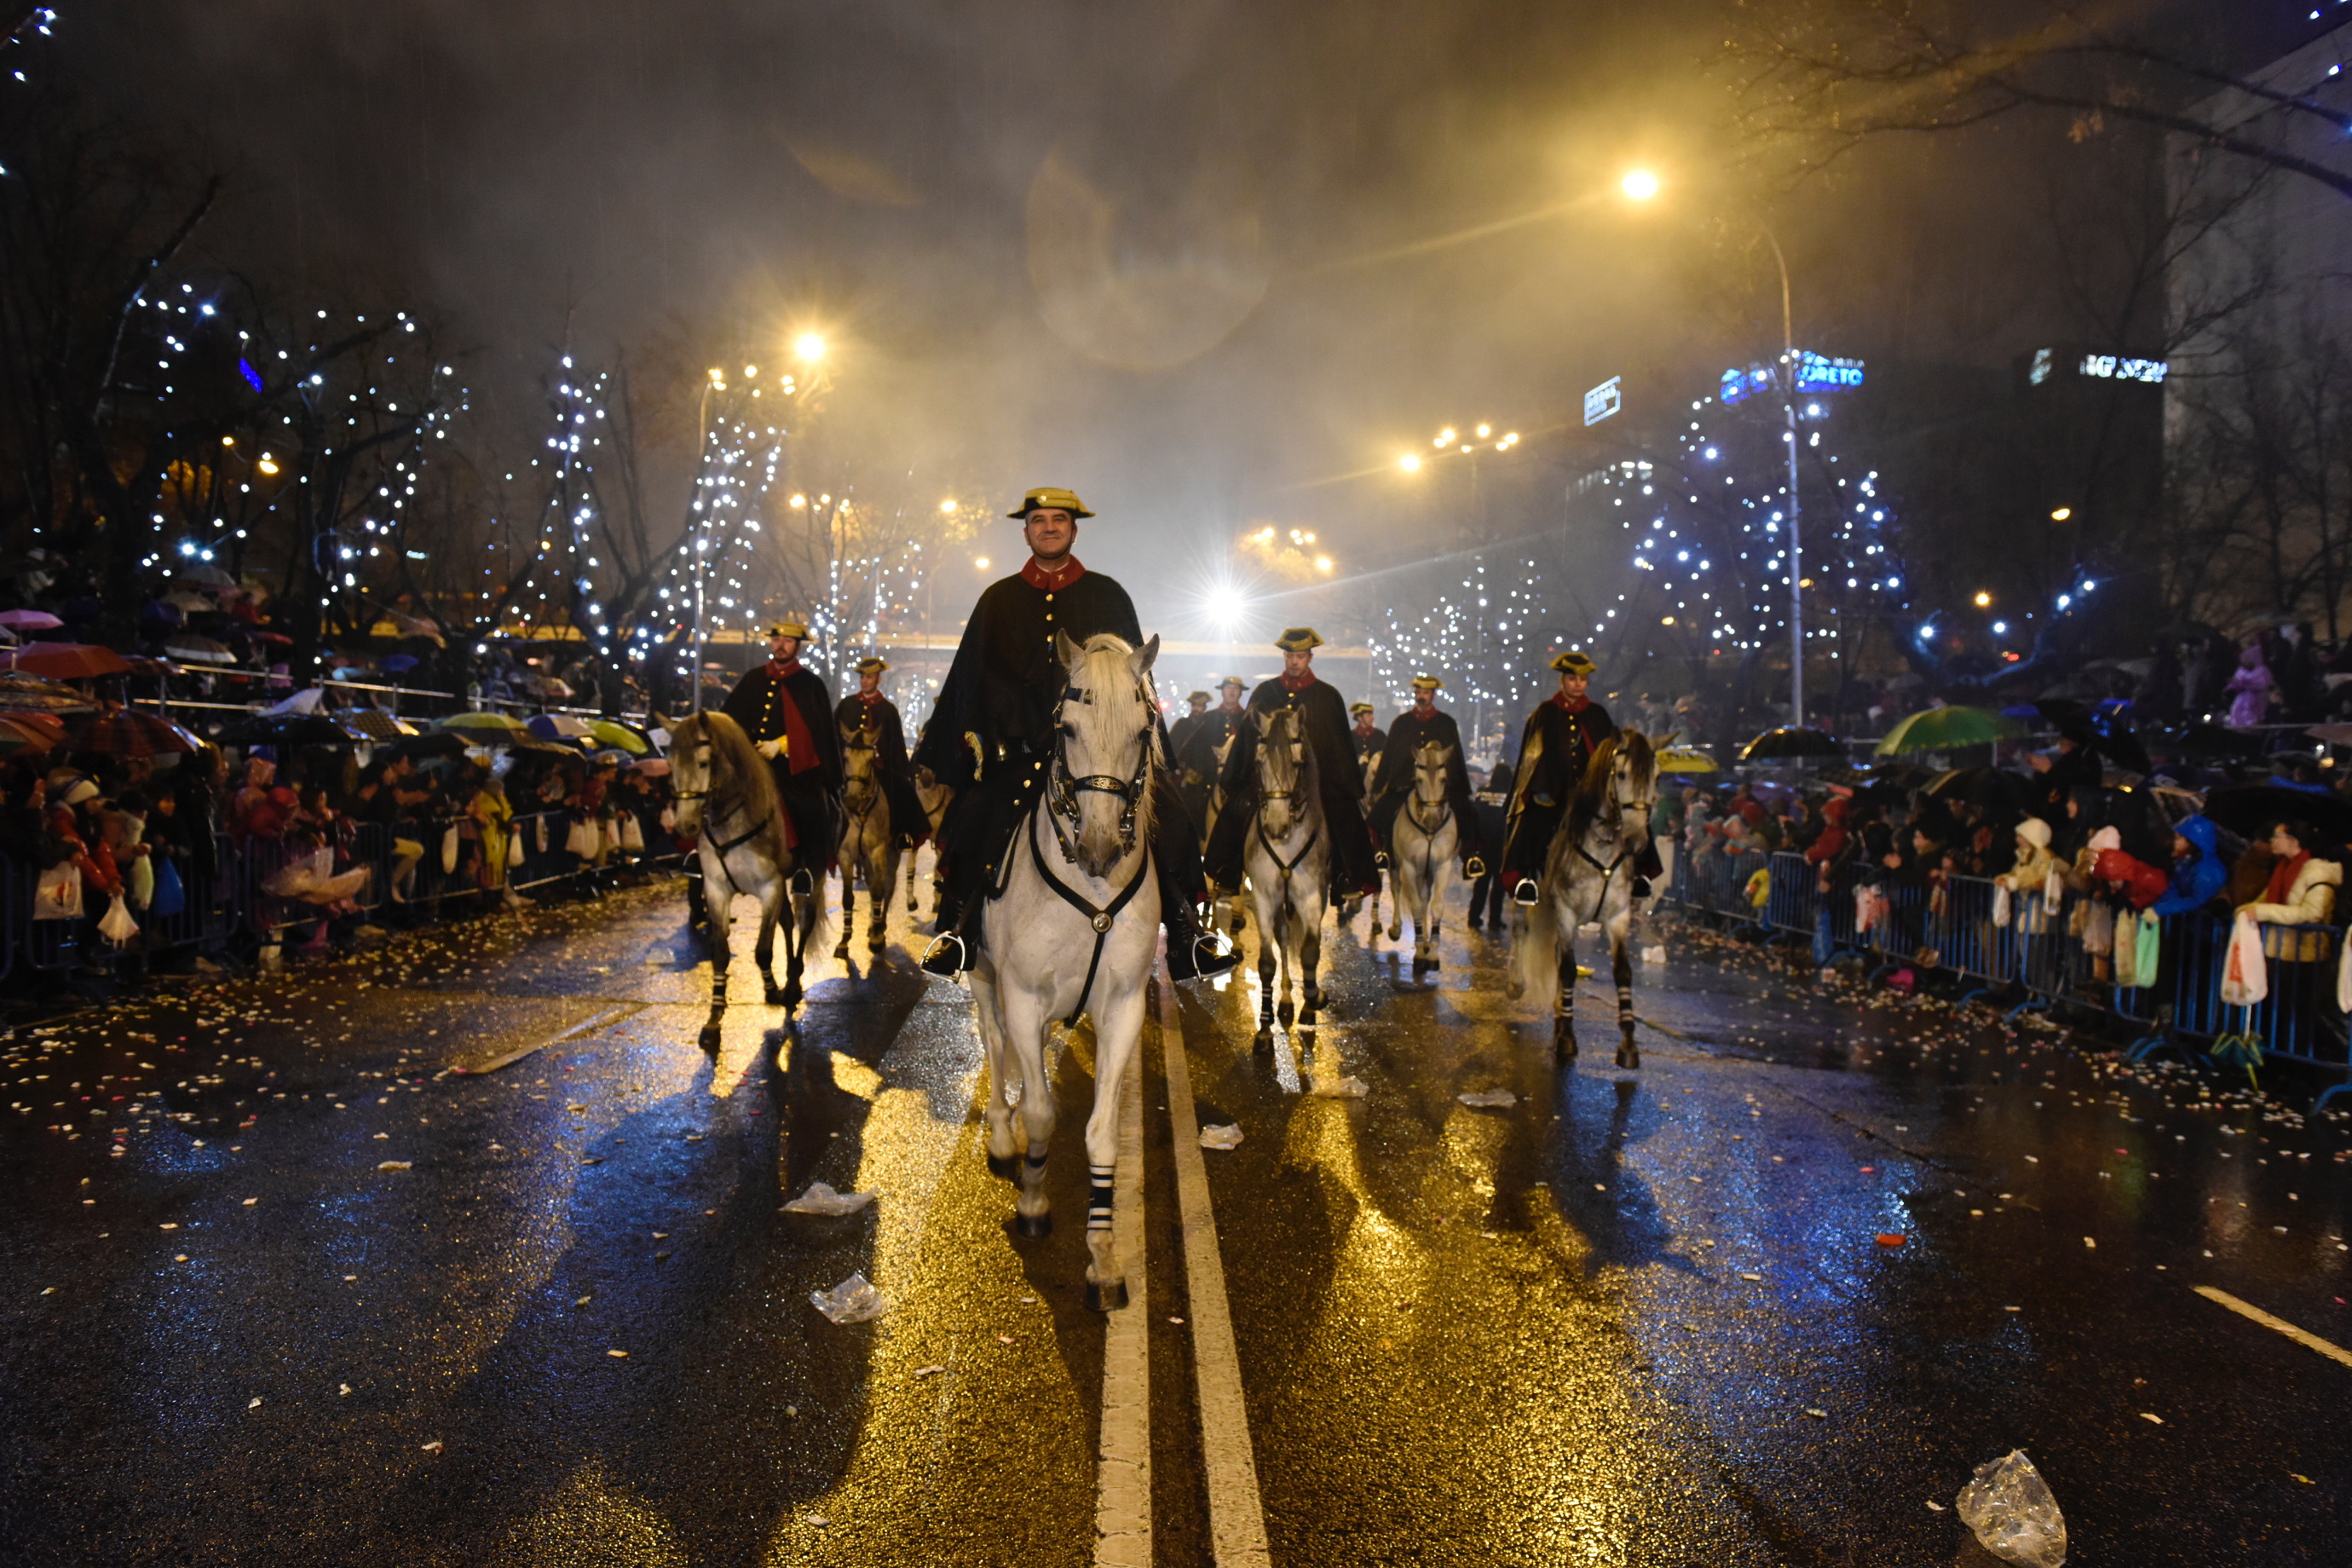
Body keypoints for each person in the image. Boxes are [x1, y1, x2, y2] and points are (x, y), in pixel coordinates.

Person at [912, 486, 1237, 980]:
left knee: (1171, 816)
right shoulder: (997, 600)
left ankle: (1189, 931)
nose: (1049, 528)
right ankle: (956, 932)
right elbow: (970, 681)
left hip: (1099, 755)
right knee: (975, 817)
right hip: (1019, 754)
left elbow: (1137, 679)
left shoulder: (1108, 594)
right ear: (1026, 533)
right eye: (1039, 521)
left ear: (1074, 530)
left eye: (1058, 520)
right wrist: (983, 742)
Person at [1204, 626, 1381, 904]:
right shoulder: (1265, 692)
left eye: (1300, 656)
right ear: (1285, 657)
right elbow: (1248, 739)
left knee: (1344, 813)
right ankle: (1229, 871)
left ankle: (1345, 876)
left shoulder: (1327, 696)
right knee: (1237, 808)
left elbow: (1338, 746)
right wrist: (1240, 777)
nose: (1294, 661)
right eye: (1290, 656)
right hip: (1267, 781)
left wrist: (1341, 783)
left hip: (1318, 783)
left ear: (1310, 658)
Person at [1500, 649, 1657, 902]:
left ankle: (1640, 873)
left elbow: (1609, 752)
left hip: (1590, 792)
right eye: (1572, 679)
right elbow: (1532, 756)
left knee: (1634, 814)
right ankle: (1526, 879)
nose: (1577, 684)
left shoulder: (1597, 714)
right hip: (1554, 790)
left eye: (1582, 679)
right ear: (1562, 681)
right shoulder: (1545, 712)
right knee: (1532, 821)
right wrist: (1542, 785)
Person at [721, 617, 844, 892]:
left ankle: (805, 868)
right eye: (776, 639)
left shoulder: (810, 684)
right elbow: (730, 721)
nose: (781, 645)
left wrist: (782, 745)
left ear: (798, 647)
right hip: (748, 765)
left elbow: (818, 731)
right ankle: (702, 856)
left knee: (809, 808)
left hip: (790, 769)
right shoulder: (753, 678)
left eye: (788, 641)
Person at [1367, 675, 1484, 879]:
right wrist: (1379, 786)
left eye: (1426, 693)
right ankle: (1383, 853)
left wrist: (1461, 787)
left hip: (1441, 785)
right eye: (1419, 692)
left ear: (1433, 695)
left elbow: (1456, 757)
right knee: (1379, 815)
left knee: (1468, 814)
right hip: (1404, 783)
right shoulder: (1401, 723)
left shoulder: (1446, 723)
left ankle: (1470, 858)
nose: (1421, 696)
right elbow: (1389, 754)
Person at [833, 654, 931, 851]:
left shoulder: (888, 709)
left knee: (902, 791)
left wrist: (901, 772)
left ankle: (902, 834)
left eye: (869, 677)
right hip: (848, 769)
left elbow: (896, 745)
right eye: (862, 677)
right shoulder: (847, 705)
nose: (864, 681)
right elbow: (835, 736)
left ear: (879, 679)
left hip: (881, 769)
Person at [1175, 676, 1248, 845]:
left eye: (1235, 688)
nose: (1231, 691)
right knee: (1192, 812)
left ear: (1240, 693)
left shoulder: (1246, 719)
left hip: (1237, 781)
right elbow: (1193, 745)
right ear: (1222, 692)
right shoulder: (1210, 717)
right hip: (1208, 780)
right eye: (1228, 688)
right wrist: (1196, 769)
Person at [1349, 700, 1386, 794]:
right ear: (1360, 718)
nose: (1372, 717)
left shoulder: (1379, 735)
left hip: (1375, 778)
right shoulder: (1350, 735)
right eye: (1368, 715)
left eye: (1372, 714)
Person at [1167, 690, 1213, 762]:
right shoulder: (1181, 723)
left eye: (1199, 706)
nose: (1195, 708)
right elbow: (1172, 744)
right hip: (1182, 763)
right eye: (1193, 705)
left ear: (1204, 708)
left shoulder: (1208, 725)